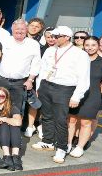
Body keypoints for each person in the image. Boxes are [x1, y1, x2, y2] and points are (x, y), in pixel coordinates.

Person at [32, 26, 91, 164]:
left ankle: (62, 148)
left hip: (64, 89)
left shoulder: (79, 54)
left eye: (57, 36)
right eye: (53, 36)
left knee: (60, 119)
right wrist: (40, 86)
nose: (54, 39)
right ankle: (48, 141)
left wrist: (77, 96)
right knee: (46, 115)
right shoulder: (50, 50)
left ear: (66, 37)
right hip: (46, 85)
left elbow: (84, 78)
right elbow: (43, 69)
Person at [67, 36, 102, 158]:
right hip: (75, 95)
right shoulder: (77, 59)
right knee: (71, 120)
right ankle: (68, 143)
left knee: (85, 122)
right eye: (87, 45)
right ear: (83, 45)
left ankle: (79, 147)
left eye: (93, 45)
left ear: (98, 46)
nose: (90, 48)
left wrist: (96, 92)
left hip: (92, 97)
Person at [0, 19, 41, 131]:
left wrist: (30, 80)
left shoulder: (33, 44)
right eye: (17, 29)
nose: (19, 31)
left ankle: (13, 132)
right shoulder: (4, 41)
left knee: (16, 108)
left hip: (20, 82)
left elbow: (36, 64)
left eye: (22, 29)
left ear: (26, 30)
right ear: (12, 29)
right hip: (1, 79)